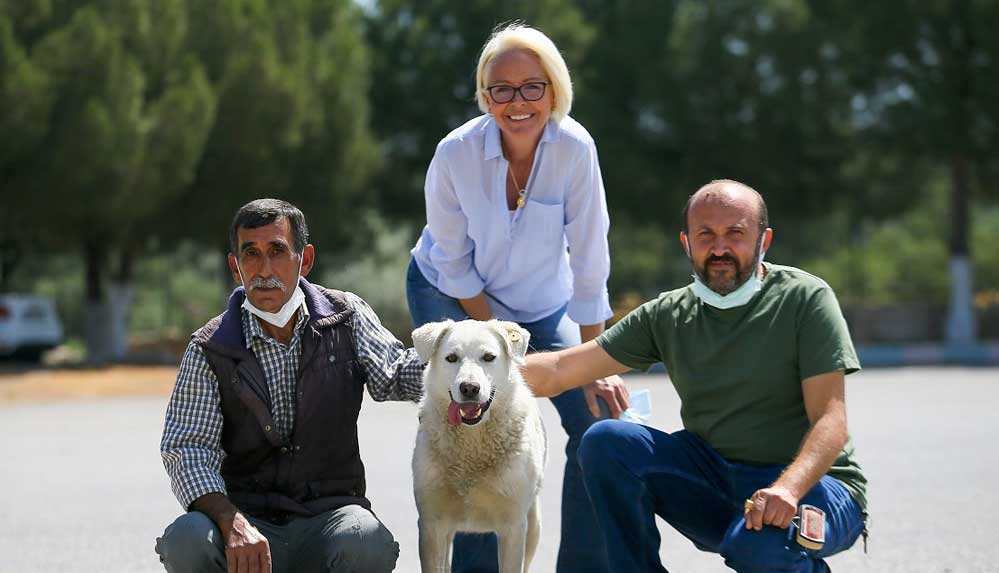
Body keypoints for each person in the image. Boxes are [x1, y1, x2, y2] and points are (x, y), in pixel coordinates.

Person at [522, 180, 868, 573]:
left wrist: (787, 489)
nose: (720, 248)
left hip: (815, 487)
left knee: (760, 549)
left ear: (764, 240)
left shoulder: (805, 299)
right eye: (706, 235)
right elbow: (559, 370)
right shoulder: (668, 315)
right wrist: (475, 376)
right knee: (607, 441)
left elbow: (830, 419)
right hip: (716, 480)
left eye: (735, 233)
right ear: (687, 243)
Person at [406, 22, 629, 573]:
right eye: (501, 89)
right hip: (450, 292)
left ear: (554, 91)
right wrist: (495, 340)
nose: (517, 101)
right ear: (485, 97)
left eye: (532, 86)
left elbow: (591, 259)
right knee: (472, 418)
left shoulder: (576, 148)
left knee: (599, 421)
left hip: (544, 307)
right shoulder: (455, 153)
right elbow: (453, 262)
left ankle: (584, 566)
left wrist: (594, 364)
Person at [155, 199, 425, 573]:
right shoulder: (210, 347)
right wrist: (232, 523)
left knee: (366, 541)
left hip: (328, 517)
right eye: (251, 254)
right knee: (187, 539)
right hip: (247, 526)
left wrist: (467, 366)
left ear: (305, 259)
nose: (264, 269)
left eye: (277, 251)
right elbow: (188, 449)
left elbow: (395, 373)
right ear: (235, 267)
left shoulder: (346, 317)